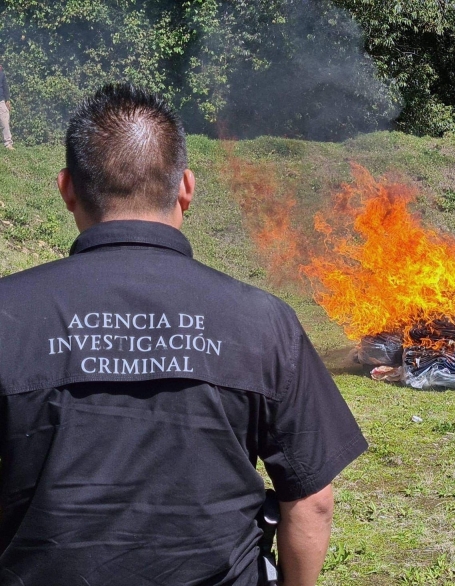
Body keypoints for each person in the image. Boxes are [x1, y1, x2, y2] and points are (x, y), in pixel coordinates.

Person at [0, 84, 367, 586]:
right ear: (186, 187)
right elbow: (311, 499)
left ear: (66, 189)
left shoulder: (8, 315)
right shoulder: (262, 321)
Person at [0, 65, 13, 150]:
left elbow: (5, 87)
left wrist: (7, 100)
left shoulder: (1, 73)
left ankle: (8, 143)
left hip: (1, 100)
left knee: (5, 122)